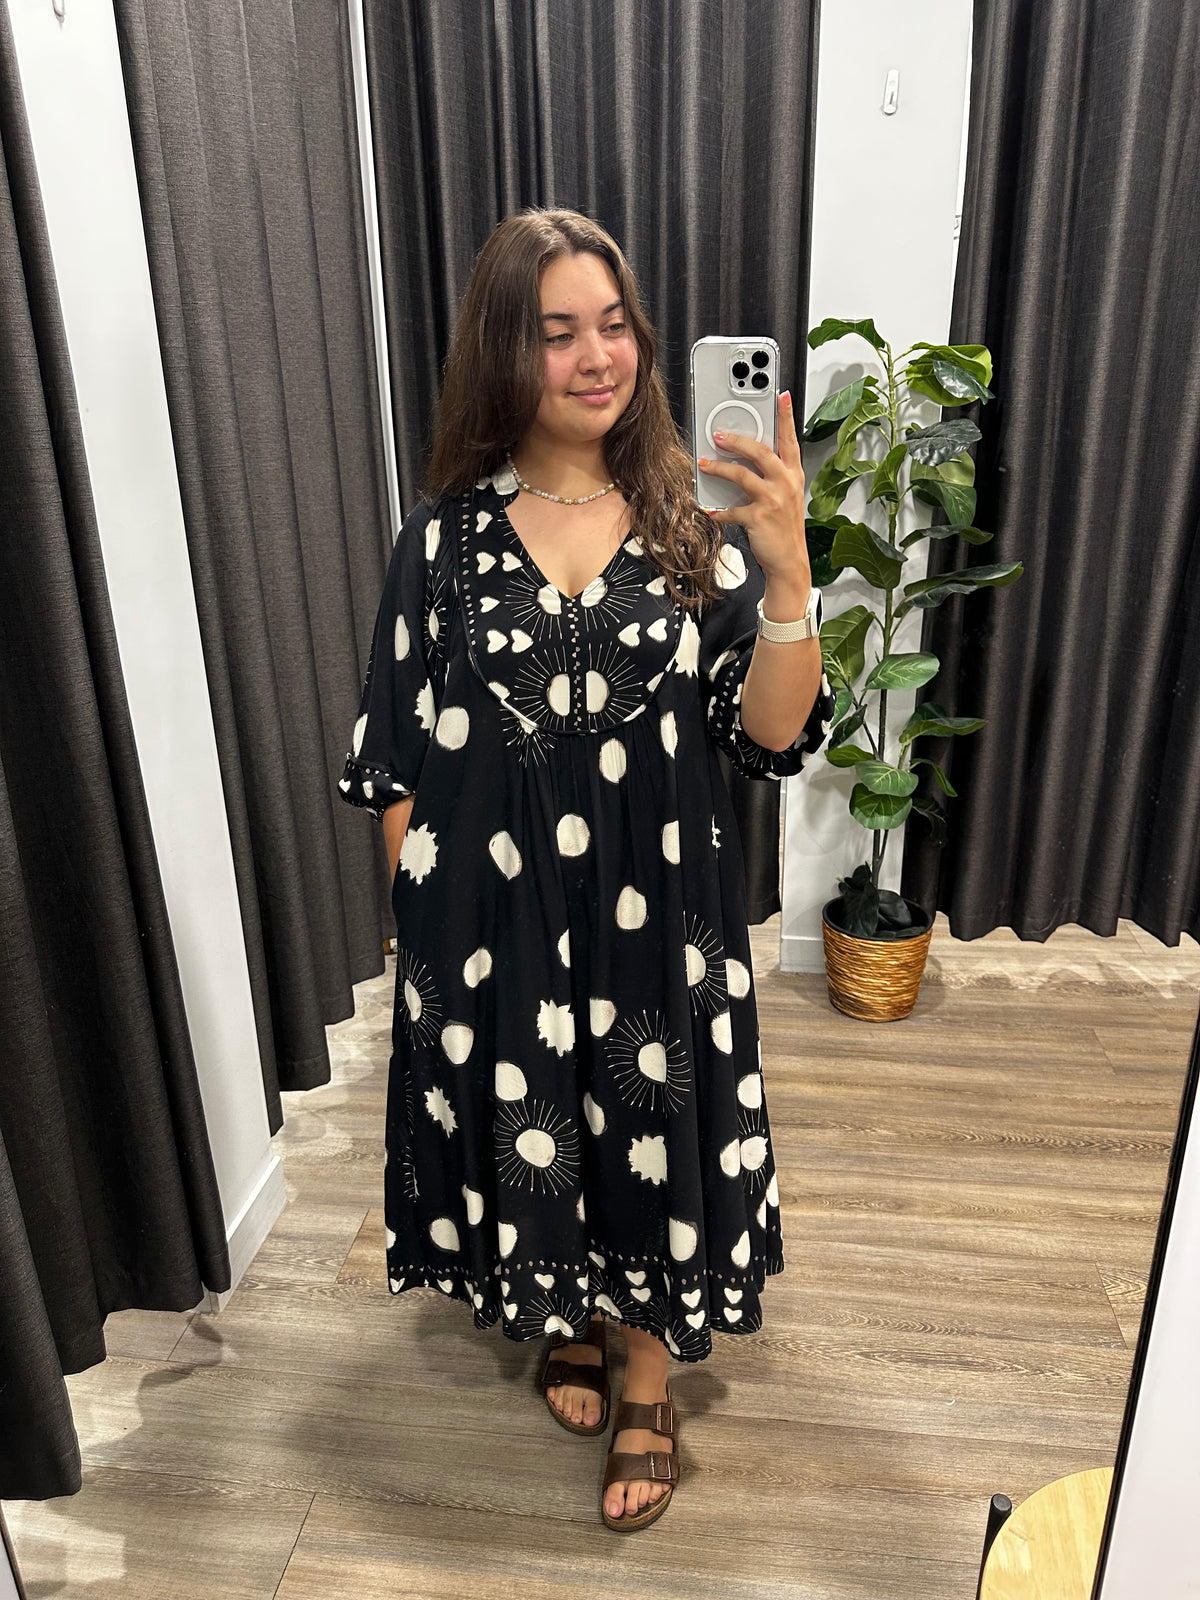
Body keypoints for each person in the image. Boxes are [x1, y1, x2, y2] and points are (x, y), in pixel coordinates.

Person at [338, 206, 835, 1531]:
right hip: (495, 933)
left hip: (660, 928)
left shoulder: (691, 529)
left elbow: (768, 732)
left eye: (613, 325)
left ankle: (647, 1379)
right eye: (557, 332)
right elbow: (395, 762)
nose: (596, 356)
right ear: (505, 351)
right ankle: (563, 1311)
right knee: (537, 1129)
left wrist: (790, 579)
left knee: (653, 1138)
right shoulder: (441, 545)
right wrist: (431, 948)